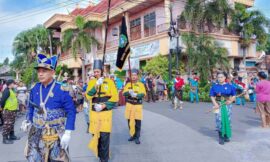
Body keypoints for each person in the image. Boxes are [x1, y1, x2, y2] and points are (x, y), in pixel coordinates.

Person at [22, 54, 76, 161]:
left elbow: (71, 111)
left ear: (52, 72)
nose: (40, 74)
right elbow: (31, 108)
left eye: (44, 71)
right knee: (33, 158)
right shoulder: (35, 88)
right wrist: (28, 120)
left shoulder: (62, 89)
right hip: (36, 133)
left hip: (56, 133)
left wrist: (68, 132)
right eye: (39, 71)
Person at [86, 59, 119, 162]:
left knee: (104, 138)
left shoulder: (109, 82)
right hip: (94, 114)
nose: (96, 73)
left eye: (97, 71)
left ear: (101, 71)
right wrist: (96, 85)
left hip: (105, 114)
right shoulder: (92, 82)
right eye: (94, 71)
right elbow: (88, 95)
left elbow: (115, 98)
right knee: (96, 137)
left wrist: (104, 106)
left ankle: (104, 159)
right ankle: (100, 156)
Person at [210, 72, 236, 145]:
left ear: (225, 78)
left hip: (227, 105)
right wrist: (215, 104)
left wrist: (230, 101)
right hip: (217, 105)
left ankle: (226, 135)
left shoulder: (230, 86)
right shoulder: (214, 86)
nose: (220, 78)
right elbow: (211, 96)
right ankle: (221, 136)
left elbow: (234, 95)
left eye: (221, 77)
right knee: (219, 119)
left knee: (227, 119)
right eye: (218, 77)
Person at [123, 69, 146, 144]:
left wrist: (137, 95)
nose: (133, 77)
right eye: (132, 75)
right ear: (130, 76)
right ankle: (132, 135)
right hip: (129, 105)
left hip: (137, 105)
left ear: (137, 76)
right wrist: (129, 92)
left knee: (137, 122)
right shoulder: (128, 84)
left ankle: (137, 137)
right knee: (130, 122)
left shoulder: (141, 84)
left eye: (135, 75)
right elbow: (124, 93)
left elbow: (143, 94)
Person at [1, 79, 20, 144]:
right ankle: (5, 139)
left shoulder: (11, 90)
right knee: (7, 124)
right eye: (13, 83)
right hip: (8, 110)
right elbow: (2, 100)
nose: (14, 84)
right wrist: (3, 108)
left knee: (11, 124)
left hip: (13, 110)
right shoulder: (6, 91)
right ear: (10, 84)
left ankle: (12, 136)